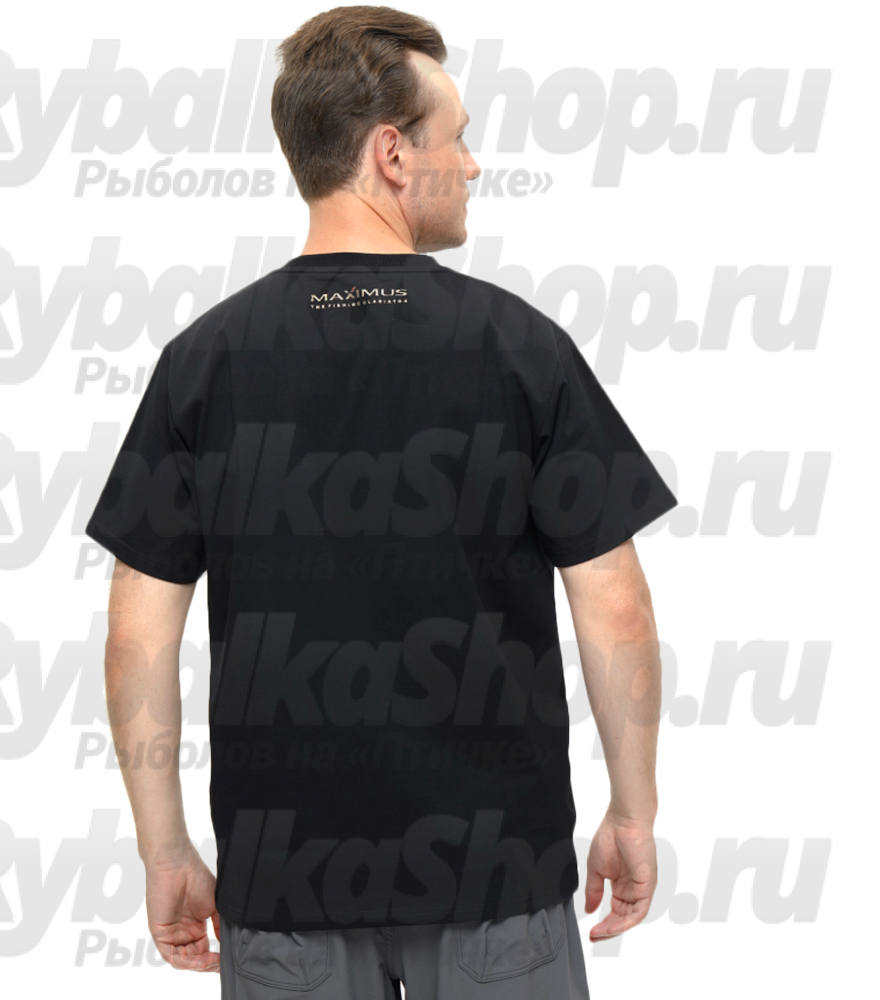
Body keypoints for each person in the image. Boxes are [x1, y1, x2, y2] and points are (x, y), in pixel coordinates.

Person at [84, 6, 678, 997]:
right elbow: (614, 602)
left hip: (284, 896)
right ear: (393, 154)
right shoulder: (519, 348)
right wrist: (633, 809)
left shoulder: (204, 363)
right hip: (498, 887)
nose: (472, 164)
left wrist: (165, 848)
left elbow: (134, 633)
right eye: (458, 137)